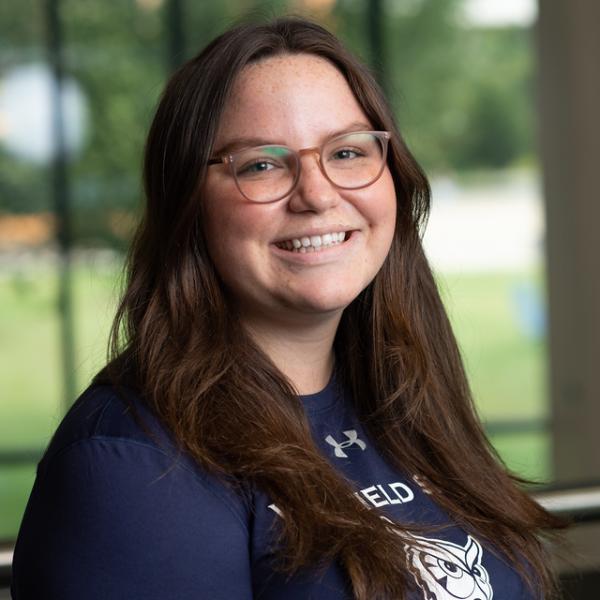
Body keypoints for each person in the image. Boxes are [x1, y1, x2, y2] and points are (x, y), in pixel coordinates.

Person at [11, 16, 563, 600]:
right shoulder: (132, 468)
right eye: (261, 164)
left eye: (347, 152)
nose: (318, 194)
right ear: (187, 206)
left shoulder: (402, 402)